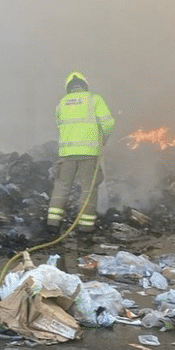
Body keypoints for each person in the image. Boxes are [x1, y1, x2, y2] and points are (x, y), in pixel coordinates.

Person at [46, 70, 115, 234]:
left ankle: (52, 224)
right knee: (88, 189)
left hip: (66, 155)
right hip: (89, 154)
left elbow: (58, 125)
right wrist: (103, 139)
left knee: (61, 187)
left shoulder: (61, 103)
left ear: (68, 87)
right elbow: (108, 124)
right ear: (85, 85)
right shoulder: (94, 99)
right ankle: (85, 227)